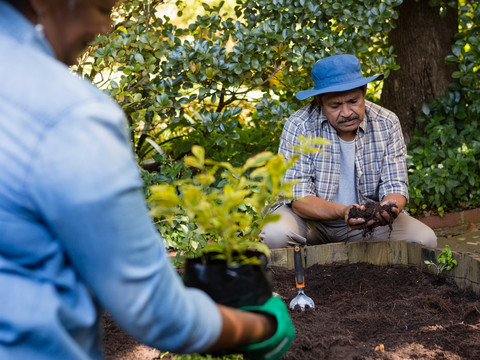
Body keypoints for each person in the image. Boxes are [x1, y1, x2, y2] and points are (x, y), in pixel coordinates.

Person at [0, 1, 294, 359]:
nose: (107, 28)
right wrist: (262, 327)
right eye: (102, 7)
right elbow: (156, 312)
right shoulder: (67, 113)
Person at [260, 54, 437, 249]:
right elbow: (299, 201)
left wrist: (387, 209)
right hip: (311, 224)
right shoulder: (299, 126)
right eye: (335, 105)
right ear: (319, 101)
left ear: (364, 92)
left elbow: (396, 184)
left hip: (366, 223)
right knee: (274, 235)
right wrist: (344, 211)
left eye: (353, 101)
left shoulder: (386, 122)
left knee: (424, 240)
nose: (346, 113)